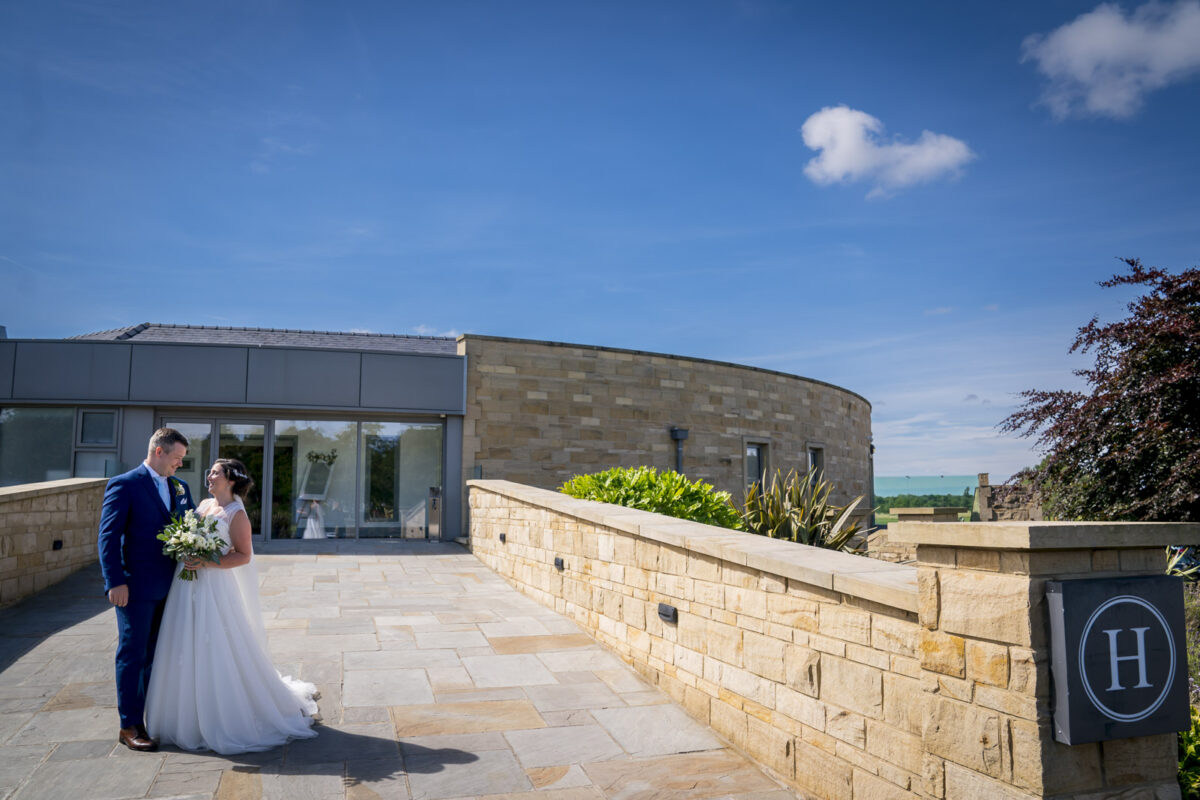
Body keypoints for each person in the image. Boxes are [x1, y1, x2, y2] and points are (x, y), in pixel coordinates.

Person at [145, 458, 319, 754]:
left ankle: (223, 715)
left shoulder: (236, 514)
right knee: (183, 644)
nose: (208, 476)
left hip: (215, 588)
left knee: (216, 645)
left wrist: (206, 561)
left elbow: (243, 556)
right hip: (186, 587)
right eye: (210, 472)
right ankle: (184, 715)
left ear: (231, 480)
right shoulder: (201, 505)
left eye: (215, 472)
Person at [98, 427, 196, 752]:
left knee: (156, 655)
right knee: (132, 655)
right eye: (177, 458)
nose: (179, 465)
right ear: (159, 452)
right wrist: (115, 581)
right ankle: (128, 726)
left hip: (172, 587)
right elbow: (108, 538)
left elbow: (190, 525)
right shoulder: (124, 484)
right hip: (135, 587)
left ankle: (150, 718)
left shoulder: (180, 488)